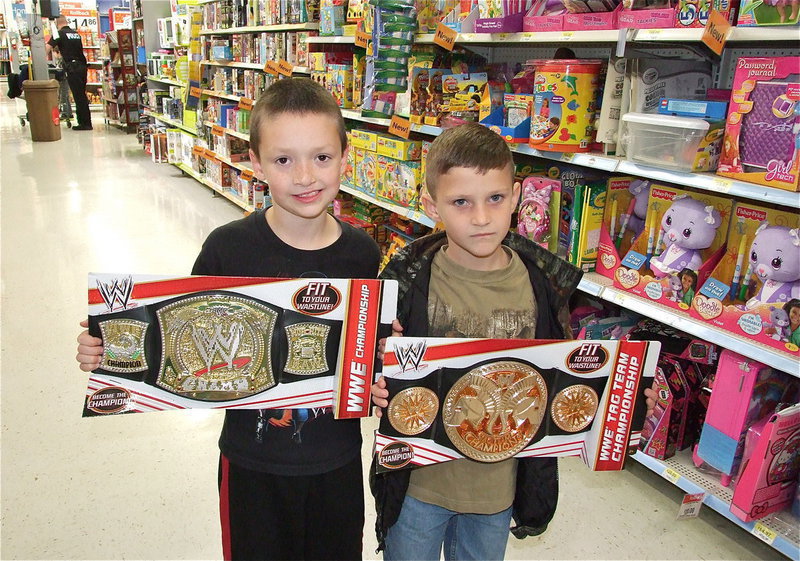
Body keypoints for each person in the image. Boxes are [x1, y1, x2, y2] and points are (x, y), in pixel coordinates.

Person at [76, 78, 380, 560]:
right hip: (250, 462)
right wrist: (108, 350)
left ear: (346, 157)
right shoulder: (228, 247)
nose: (305, 176)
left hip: (336, 462)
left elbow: (369, 354)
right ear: (255, 163)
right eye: (283, 160)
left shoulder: (364, 254)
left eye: (321, 157)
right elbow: (175, 333)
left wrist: (389, 366)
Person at [369, 122, 585, 561]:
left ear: (518, 196)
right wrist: (375, 372)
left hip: (496, 489)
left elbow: (565, 378)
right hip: (417, 484)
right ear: (431, 204)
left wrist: (629, 394)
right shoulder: (405, 284)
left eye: (495, 199)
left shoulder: (542, 286)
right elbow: (370, 363)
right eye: (461, 202)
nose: (482, 218)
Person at [47, 15, 92, 130]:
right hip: (82, 66)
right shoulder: (75, 34)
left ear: (57, 24)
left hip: (72, 67)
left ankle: (85, 124)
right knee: (81, 94)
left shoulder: (59, 34)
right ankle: (85, 121)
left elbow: (47, 47)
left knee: (78, 96)